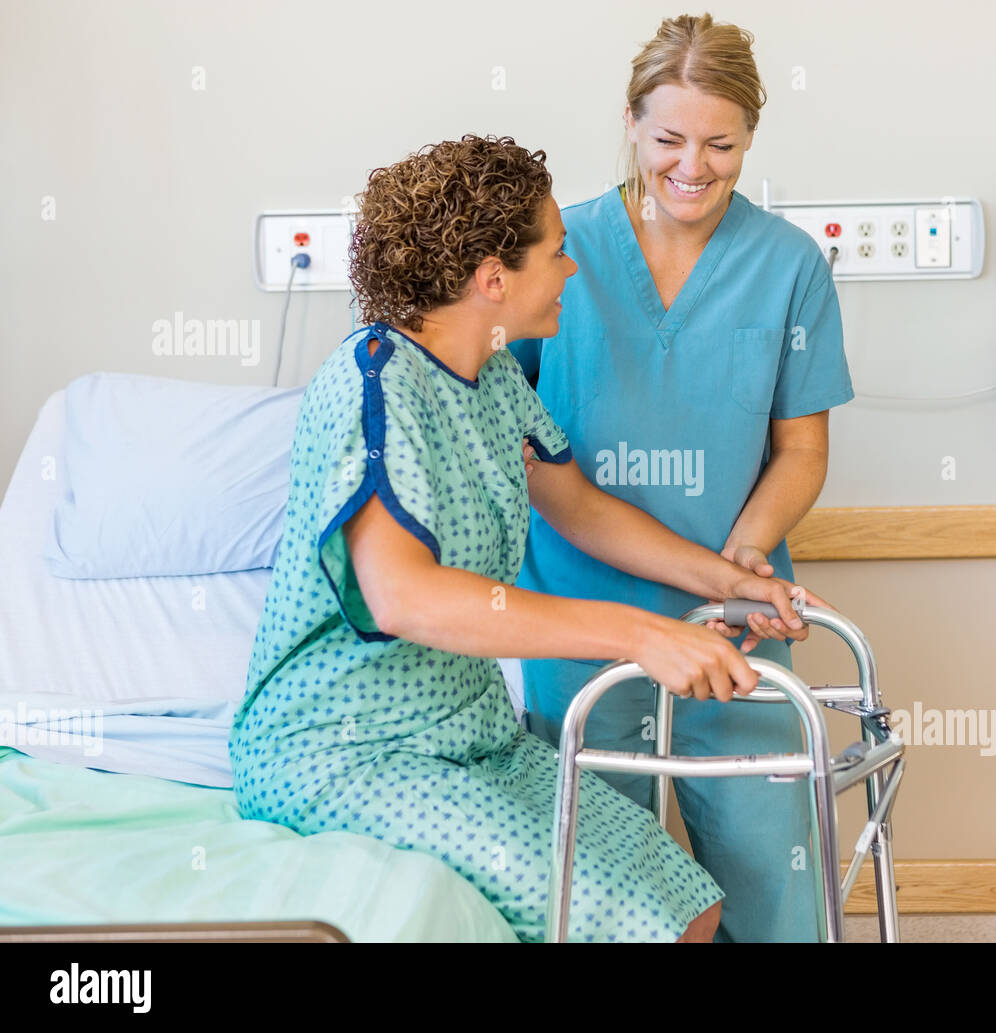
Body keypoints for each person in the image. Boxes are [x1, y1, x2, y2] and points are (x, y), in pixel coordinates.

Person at [227, 134, 811, 943]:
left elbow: (578, 506)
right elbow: (402, 594)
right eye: (558, 254)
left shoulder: (496, 375)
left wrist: (730, 582)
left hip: (473, 736)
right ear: (494, 279)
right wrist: (641, 634)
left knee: (690, 902)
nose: (574, 269)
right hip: (350, 752)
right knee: (629, 921)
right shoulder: (372, 383)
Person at [510, 13, 854, 942]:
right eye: (668, 139)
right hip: (581, 618)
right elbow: (533, 459)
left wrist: (744, 557)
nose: (692, 166)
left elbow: (801, 449)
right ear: (630, 122)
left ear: (750, 138)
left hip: (732, 620)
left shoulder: (786, 266)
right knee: (602, 893)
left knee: (770, 874)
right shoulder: (554, 258)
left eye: (720, 143)